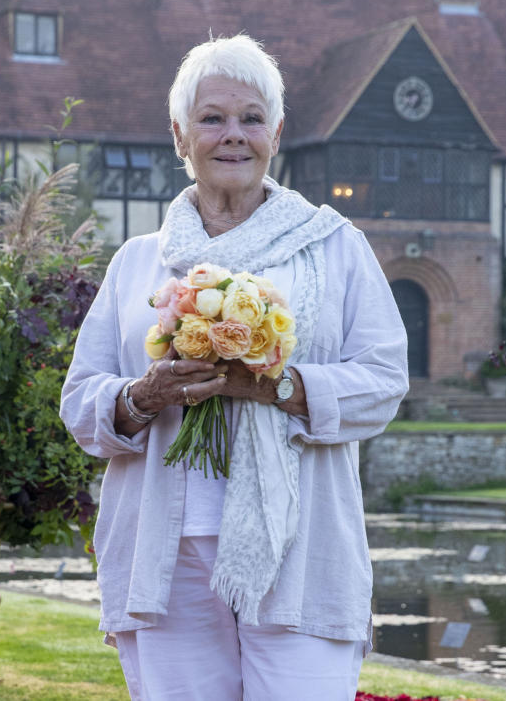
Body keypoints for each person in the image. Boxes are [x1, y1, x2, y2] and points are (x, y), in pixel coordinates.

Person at [60, 34, 409, 700]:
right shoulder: (137, 262)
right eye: (212, 118)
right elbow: (80, 401)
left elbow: (385, 380)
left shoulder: (335, 248)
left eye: (251, 118)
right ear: (178, 135)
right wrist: (141, 395)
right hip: (165, 557)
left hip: (301, 544)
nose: (233, 135)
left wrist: (282, 386)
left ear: (276, 133)